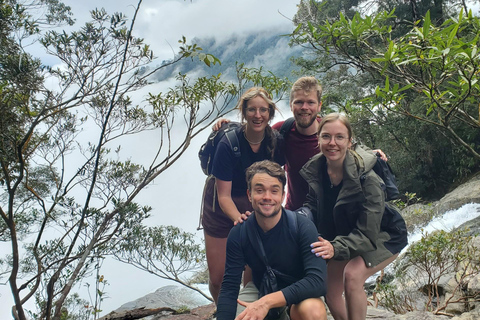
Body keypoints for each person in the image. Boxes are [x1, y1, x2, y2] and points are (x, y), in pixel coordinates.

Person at [214, 76, 387, 211]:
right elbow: (255, 130)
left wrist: (371, 153)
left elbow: (350, 147)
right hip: (295, 212)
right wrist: (228, 126)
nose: (305, 107)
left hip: (328, 213)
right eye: (299, 102)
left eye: (310, 102)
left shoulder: (330, 134)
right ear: (291, 105)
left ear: (319, 106)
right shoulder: (282, 131)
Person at [300, 113, 408, 320]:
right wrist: (299, 220)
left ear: (350, 142)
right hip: (348, 234)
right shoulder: (317, 168)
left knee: (352, 276)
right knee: (330, 292)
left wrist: (335, 248)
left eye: (339, 137)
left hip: (384, 234)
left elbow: (367, 235)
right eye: (326, 137)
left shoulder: (368, 180)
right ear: (318, 139)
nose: (332, 143)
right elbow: (313, 203)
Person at [201, 87, 284, 304]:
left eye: (263, 110)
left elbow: (277, 181)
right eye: (252, 110)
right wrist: (239, 220)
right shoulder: (229, 143)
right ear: (243, 112)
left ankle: (247, 313)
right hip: (220, 206)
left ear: (270, 113)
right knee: (219, 277)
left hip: (256, 203)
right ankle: (223, 311)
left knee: (252, 275)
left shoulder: (275, 142)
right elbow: (224, 196)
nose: (258, 115)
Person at [217, 160, 328, 320]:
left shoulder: (302, 227)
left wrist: (267, 302)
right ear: (249, 195)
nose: (267, 197)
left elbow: (317, 281)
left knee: (312, 311)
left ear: (283, 196)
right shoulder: (240, 233)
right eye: (259, 190)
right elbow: (229, 288)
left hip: (299, 291)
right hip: (260, 287)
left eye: (274, 191)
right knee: (242, 316)